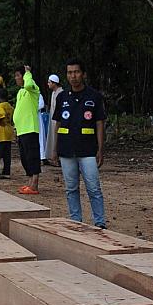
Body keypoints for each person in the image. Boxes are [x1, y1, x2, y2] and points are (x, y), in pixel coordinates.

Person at [51, 60, 108, 228]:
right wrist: (54, 149)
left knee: (93, 188)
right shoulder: (62, 97)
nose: (73, 76)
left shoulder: (94, 96)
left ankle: (100, 223)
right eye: (69, 73)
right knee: (71, 188)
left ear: (83, 74)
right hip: (66, 149)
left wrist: (100, 149)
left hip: (88, 150)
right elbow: (58, 124)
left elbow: (99, 123)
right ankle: (76, 221)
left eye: (76, 72)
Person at [13, 65, 42, 195]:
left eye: (18, 75)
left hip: (30, 128)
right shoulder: (20, 92)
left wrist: (28, 73)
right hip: (21, 129)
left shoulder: (33, 89)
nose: (16, 78)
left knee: (32, 155)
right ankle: (30, 182)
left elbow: (29, 85)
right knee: (25, 157)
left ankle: (35, 184)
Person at [0, 91, 14, 178]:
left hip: (1, 133)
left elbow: (2, 115)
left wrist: (0, 122)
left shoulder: (0, 105)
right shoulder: (9, 106)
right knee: (7, 154)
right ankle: (6, 172)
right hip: (9, 132)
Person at [43, 74, 63, 163]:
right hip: (53, 120)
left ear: (54, 83)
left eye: (49, 82)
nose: (48, 84)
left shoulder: (61, 93)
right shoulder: (53, 93)